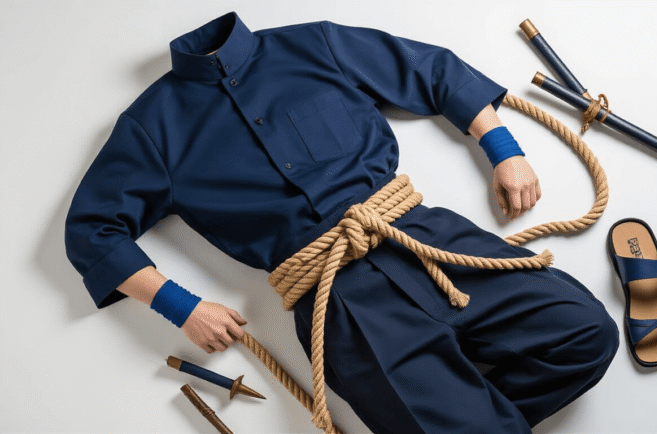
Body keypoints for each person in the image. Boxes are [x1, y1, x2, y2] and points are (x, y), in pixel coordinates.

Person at [65, 12, 618, 433]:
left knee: (586, 333)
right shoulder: (150, 126)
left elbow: (429, 68)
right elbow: (92, 230)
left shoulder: (314, 44)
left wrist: (505, 150)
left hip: (422, 239)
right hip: (341, 305)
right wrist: (182, 308)